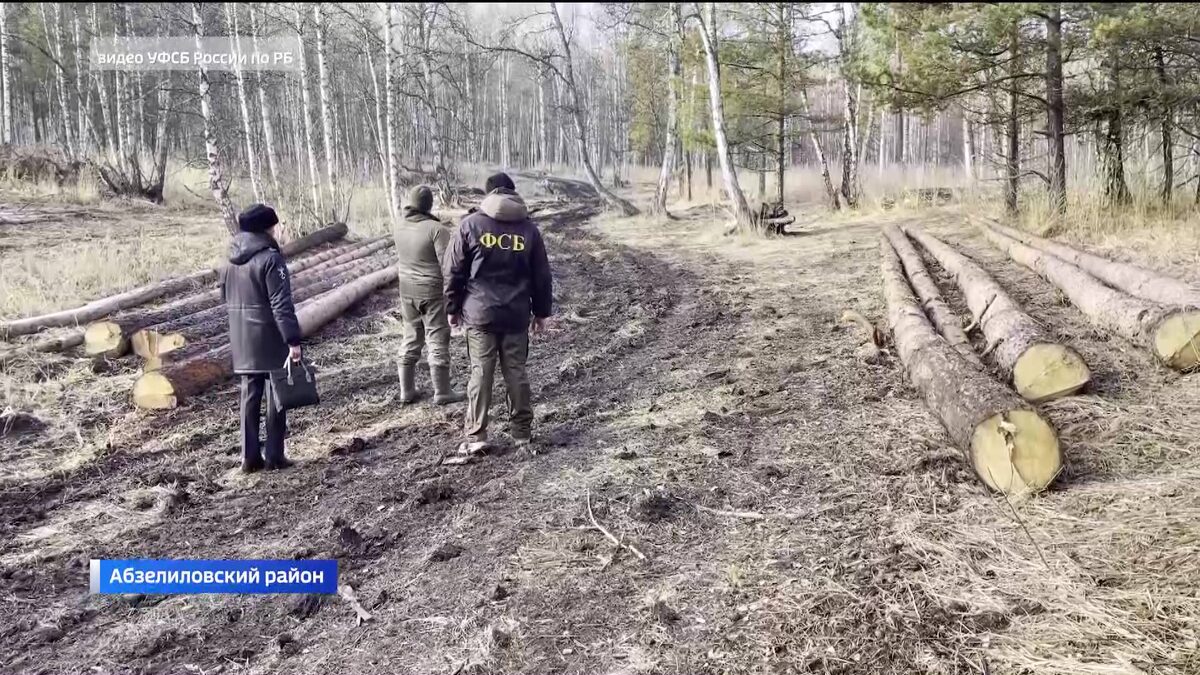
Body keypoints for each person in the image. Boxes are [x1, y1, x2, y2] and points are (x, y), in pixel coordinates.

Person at [443, 172, 553, 454]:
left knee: (480, 372)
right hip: (516, 314)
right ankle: (522, 434)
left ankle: (477, 435)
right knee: (516, 371)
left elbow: (454, 271)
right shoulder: (529, 231)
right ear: (513, 193)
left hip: (480, 315)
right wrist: (541, 313)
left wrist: (451, 308)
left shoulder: (470, 225)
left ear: (488, 194)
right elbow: (542, 276)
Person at [221, 204, 302, 473]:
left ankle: (249, 457)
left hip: (242, 338)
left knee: (249, 395)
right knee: (276, 393)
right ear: (266, 228)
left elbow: (225, 298)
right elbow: (281, 304)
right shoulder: (270, 259)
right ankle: (275, 456)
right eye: (274, 226)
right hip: (268, 336)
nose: (277, 230)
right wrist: (292, 340)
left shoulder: (229, 261)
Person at [393, 185, 464, 405]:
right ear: (429, 205)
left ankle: (406, 391)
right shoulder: (437, 229)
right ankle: (442, 392)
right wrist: (456, 294)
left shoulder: (399, 225)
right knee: (437, 338)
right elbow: (448, 265)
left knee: (411, 336)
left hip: (406, 290)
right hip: (432, 291)